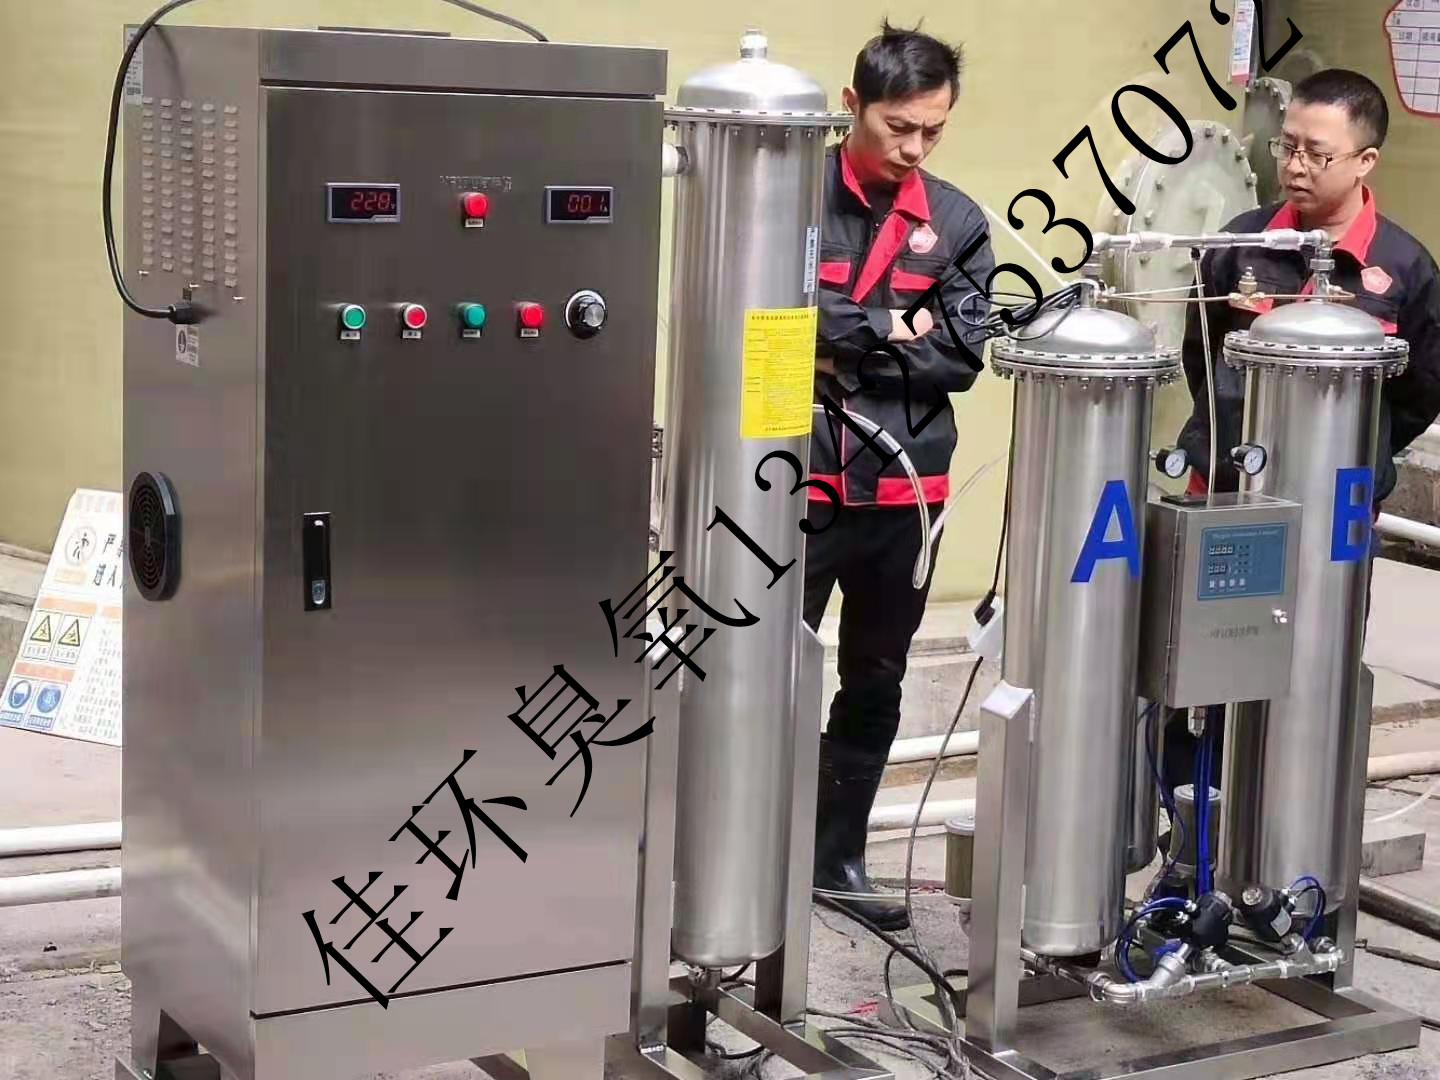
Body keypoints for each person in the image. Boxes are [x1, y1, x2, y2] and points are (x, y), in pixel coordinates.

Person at [1162, 68, 1440, 799]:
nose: (1295, 166)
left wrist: (1358, 451)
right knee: (1201, 678)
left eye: (1318, 153)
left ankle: (1293, 826)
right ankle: (1189, 835)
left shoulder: (1402, 269)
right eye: (1288, 147)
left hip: (1331, 516)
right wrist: (1231, 438)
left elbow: (1418, 391)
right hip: (1229, 500)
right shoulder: (1238, 245)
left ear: (1365, 160)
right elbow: (1200, 354)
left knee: (1313, 673)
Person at [803, 20, 994, 931]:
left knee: (876, 677)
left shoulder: (957, 222)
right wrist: (889, 327)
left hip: (907, 493)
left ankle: (835, 856)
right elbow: (772, 315)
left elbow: (961, 356)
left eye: (933, 131)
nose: (914, 148)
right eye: (897, 127)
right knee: (756, 666)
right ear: (854, 105)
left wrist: (841, 337)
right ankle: (732, 848)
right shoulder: (792, 196)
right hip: (794, 482)